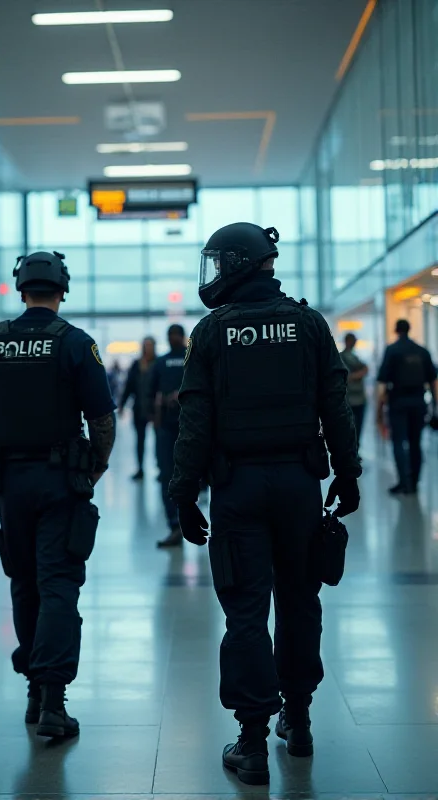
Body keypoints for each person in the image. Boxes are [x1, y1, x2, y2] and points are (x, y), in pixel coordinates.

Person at [169, 222, 361, 786]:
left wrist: (184, 495)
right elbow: (336, 408)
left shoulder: (211, 333)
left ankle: (252, 743)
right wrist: (348, 475)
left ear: (236, 264)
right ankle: (296, 722)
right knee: (300, 601)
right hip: (300, 486)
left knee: (246, 611)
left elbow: (194, 424)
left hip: (238, 490)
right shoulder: (308, 325)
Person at [0, 251, 116, 737]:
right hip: (62, 482)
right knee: (59, 584)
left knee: (24, 584)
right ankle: (52, 699)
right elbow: (102, 419)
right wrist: (97, 466)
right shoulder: (75, 344)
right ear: (63, 289)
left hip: (7, 486)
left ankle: (32, 690)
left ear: (20, 289)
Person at [377, 319, 437, 495]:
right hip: (419, 402)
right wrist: (435, 405)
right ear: (409, 329)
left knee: (398, 442)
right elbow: (433, 381)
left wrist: (379, 411)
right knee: (415, 443)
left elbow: (382, 382)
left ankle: (403, 481)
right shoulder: (422, 351)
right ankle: (414, 482)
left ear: (396, 330)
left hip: (398, 402)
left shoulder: (392, 350)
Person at [151, 325, 186, 548]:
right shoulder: (161, 363)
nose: (173, 338)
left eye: (176, 335)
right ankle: (174, 525)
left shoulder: (193, 358)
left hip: (191, 426)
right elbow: (149, 392)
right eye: (170, 335)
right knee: (166, 475)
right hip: (166, 425)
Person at [119, 336, 157, 479]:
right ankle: (140, 468)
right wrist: (122, 404)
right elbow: (129, 386)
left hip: (155, 410)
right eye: (146, 345)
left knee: (160, 439)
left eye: (150, 345)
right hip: (139, 408)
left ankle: (161, 467)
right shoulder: (136, 364)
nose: (147, 348)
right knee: (140, 440)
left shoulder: (158, 363)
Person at [340, 333, 368, 447]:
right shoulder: (341, 357)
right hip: (348, 399)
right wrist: (360, 373)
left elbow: (365, 369)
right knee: (350, 429)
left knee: (358, 428)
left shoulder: (355, 357)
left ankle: (355, 449)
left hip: (359, 399)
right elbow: (348, 376)